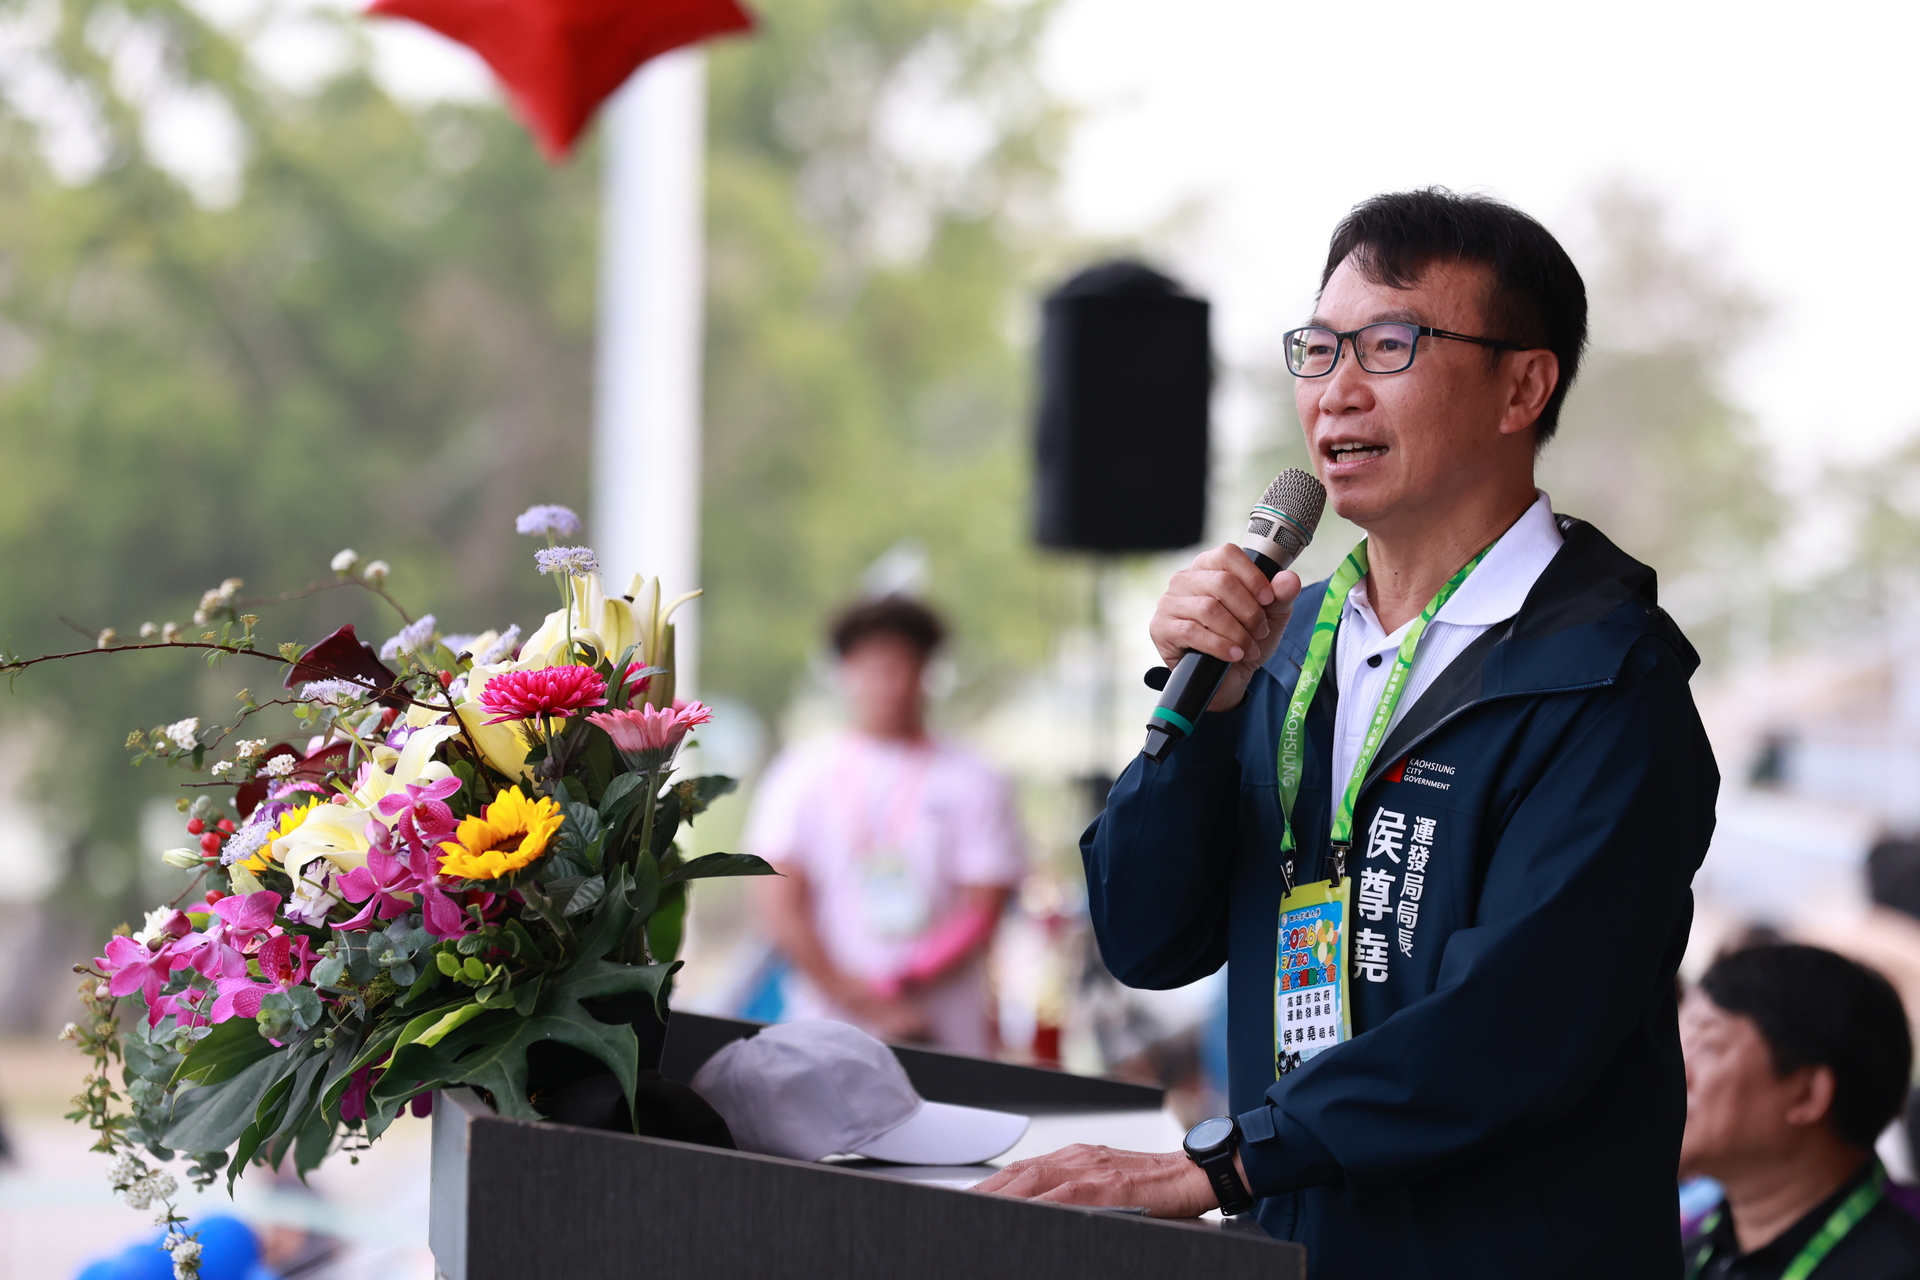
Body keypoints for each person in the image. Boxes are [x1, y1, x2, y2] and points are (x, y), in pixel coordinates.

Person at [977, 188, 1720, 1276]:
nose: (1338, 391)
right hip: (1302, 1244)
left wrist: (1220, 1164)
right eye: (1318, 350)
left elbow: (1513, 1026)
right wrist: (1197, 719)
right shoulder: (1284, 643)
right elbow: (1143, 935)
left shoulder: (1609, 679)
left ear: (1524, 383)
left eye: (1390, 343)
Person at [745, 595, 1024, 1056]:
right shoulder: (802, 773)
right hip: (824, 1025)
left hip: (942, 1028)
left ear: (927, 671)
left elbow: (983, 907)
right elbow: (778, 902)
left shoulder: (975, 778)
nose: (891, 683)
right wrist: (853, 993)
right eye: (877, 665)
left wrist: (902, 981)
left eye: (904, 665)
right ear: (846, 670)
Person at [1680, 943, 1920, 1278]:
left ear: (1808, 1095)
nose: (1676, 1072)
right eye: (1677, 1044)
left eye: (1707, 1047)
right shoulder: (1682, 1255)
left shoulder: (1899, 1268)